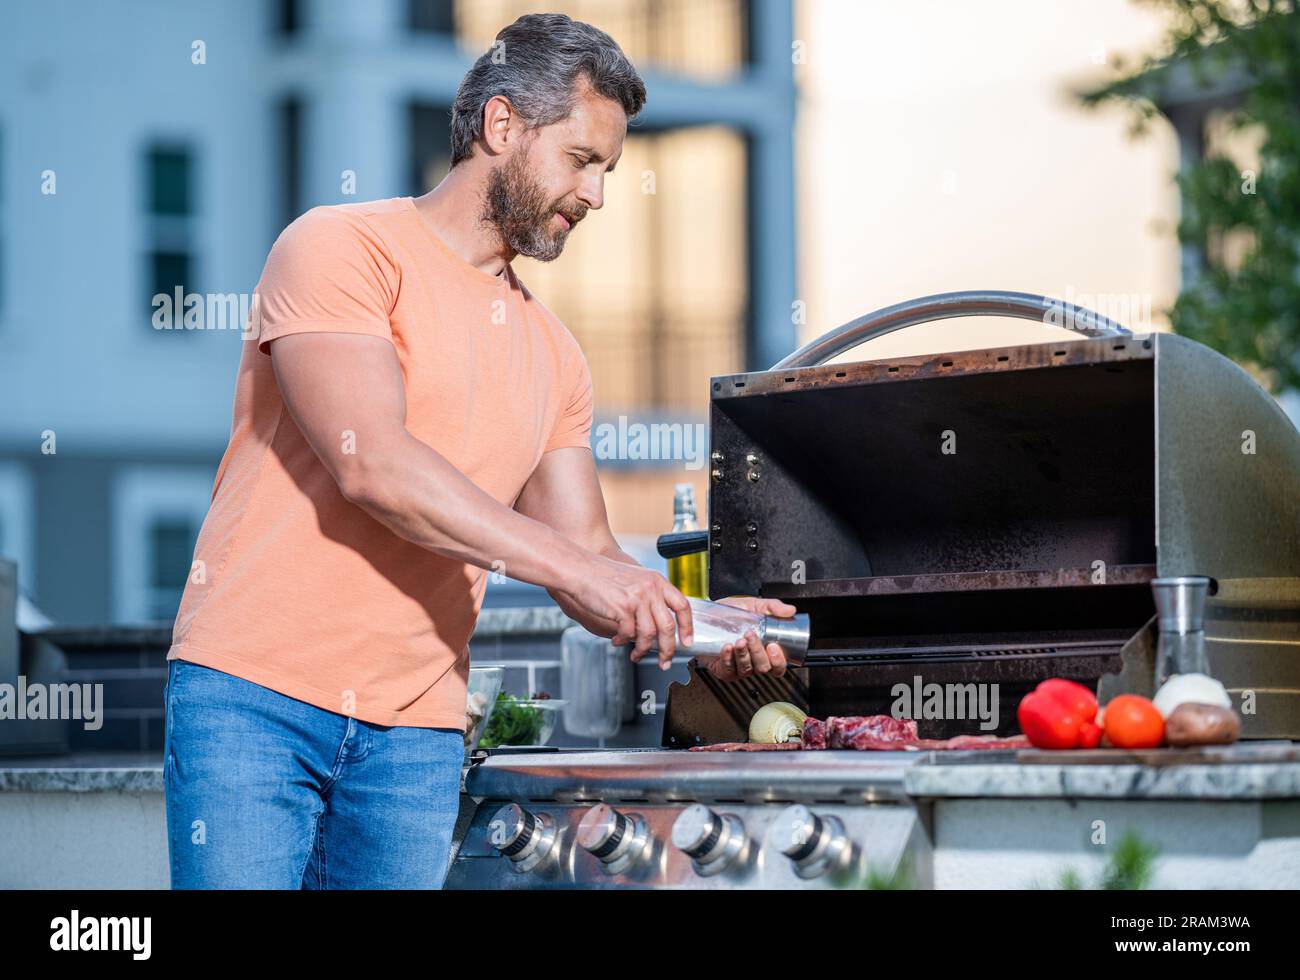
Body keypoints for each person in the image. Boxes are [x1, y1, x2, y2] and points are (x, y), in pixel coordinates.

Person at [163, 12, 797, 890]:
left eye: (610, 170)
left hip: (417, 733)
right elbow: (373, 465)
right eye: (582, 161)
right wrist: (579, 574)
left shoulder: (554, 354)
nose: (599, 196)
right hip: (256, 700)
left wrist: (707, 625)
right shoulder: (341, 248)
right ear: (502, 126)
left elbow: (585, 555)